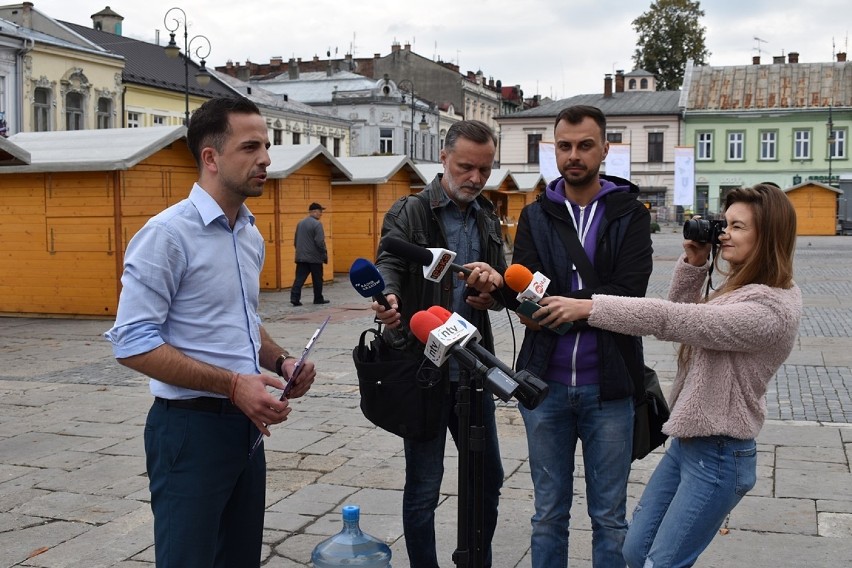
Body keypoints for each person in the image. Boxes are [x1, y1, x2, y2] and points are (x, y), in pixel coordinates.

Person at [104, 96, 316, 568]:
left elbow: (239, 321)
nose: (265, 158)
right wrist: (232, 383)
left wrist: (280, 361)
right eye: (251, 147)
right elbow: (132, 342)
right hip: (188, 428)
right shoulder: (167, 234)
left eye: (267, 145)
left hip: (245, 426)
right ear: (211, 157)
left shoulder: (248, 233)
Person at [543, 184, 802, 567]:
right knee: (634, 549)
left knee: (660, 563)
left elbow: (675, 319)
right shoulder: (741, 288)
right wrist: (695, 263)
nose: (724, 233)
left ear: (769, 236)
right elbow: (684, 318)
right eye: (724, 223)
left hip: (720, 454)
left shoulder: (768, 309)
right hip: (689, 444)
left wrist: (589, 307)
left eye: (738, 227)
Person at [511, 105, 653, 568]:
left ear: (604, 150)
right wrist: (573, 304)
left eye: (585, 146)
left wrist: (572, 303)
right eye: (565, 146)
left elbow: (630, 293)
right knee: (547, 513)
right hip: (544, 385)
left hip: (609, 387)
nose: (574, 156)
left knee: (610, 516)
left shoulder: (630, 214)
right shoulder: (535, 216)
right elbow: (527, 292)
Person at [372, 120, 507, 568]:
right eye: (466, 166)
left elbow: (502, 283)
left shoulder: (487, 214)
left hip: (474, 369)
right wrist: (388, 295)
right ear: (444, 158)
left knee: (488, 479)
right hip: (424, 372)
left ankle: (475, 560)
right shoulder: (410, 211)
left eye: (484, 170)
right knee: (425, 486)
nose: (475, 178)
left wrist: (493, 290)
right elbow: (389, 258)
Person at [290, 202, 329, 306]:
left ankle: (294, 298)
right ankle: (318, 298)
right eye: (320, 212)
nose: (321, 214)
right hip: (314, 257)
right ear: (314, 212)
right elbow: (319, 241)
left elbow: (295, 240)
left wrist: (300, 251)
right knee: (317, 279)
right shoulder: (317, 224)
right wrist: (323, 254)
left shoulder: (300, 223)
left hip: (301, 257)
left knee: (299, 278)